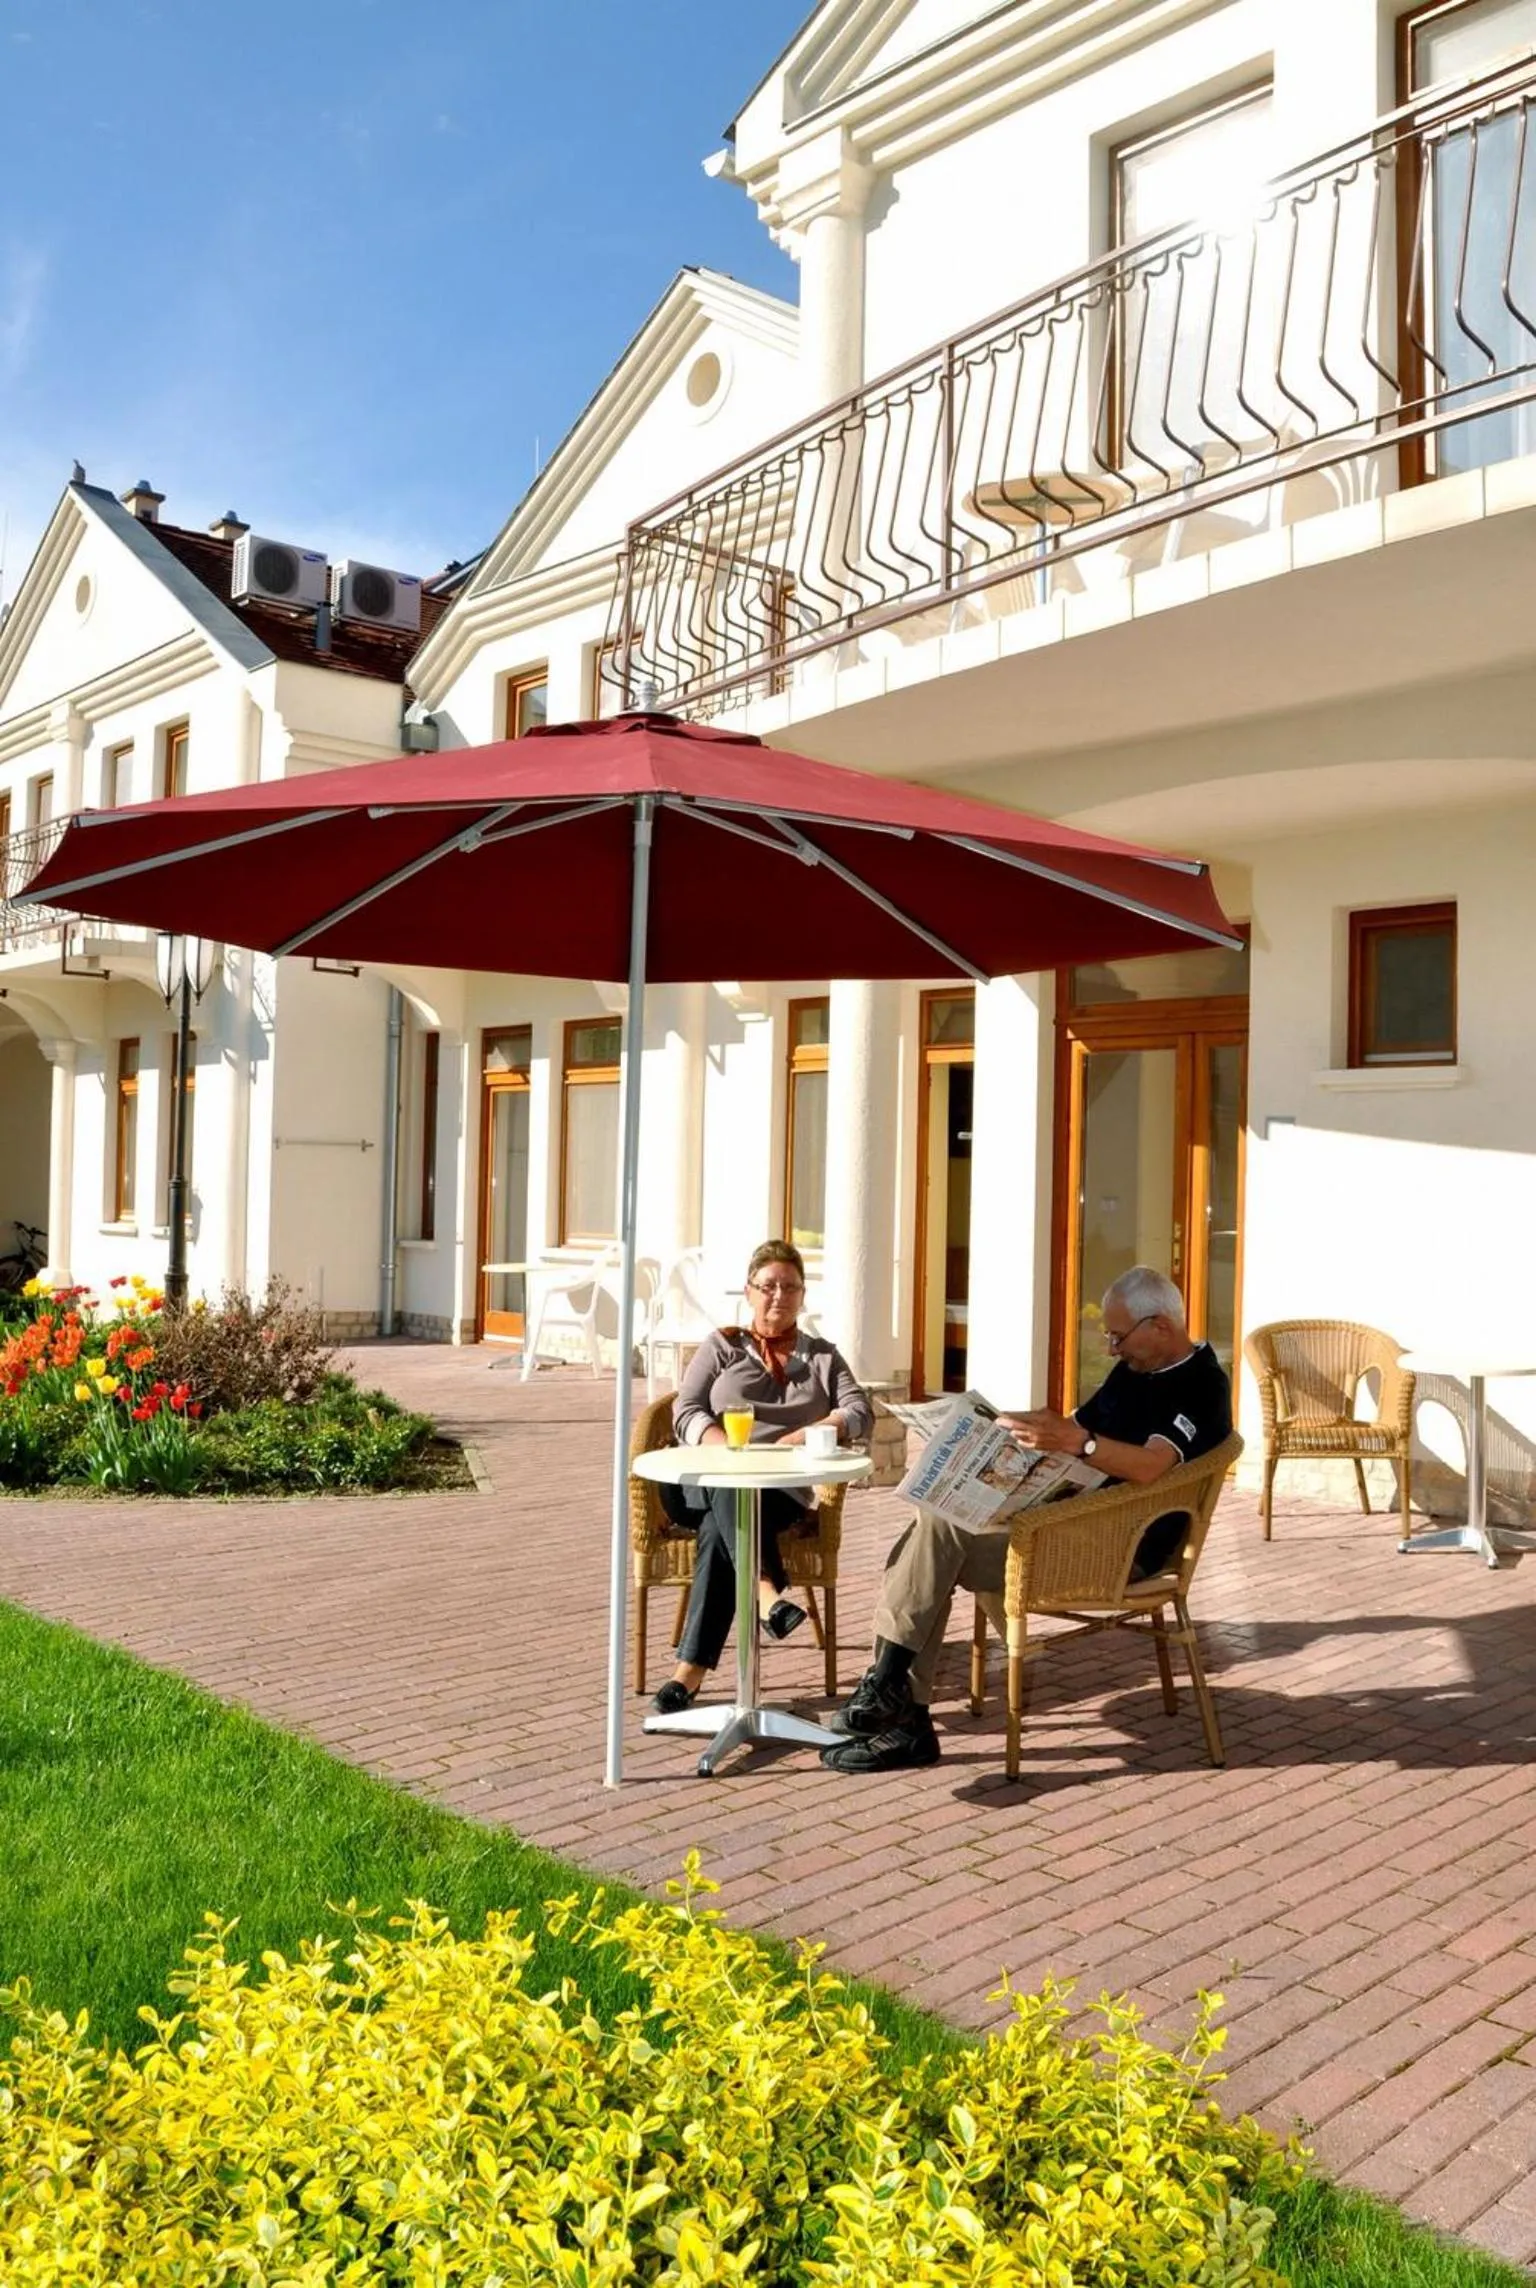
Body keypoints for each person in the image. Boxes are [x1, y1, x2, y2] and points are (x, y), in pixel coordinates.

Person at [821, 1265, 1231, 1773]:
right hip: (1065, 1527)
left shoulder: (1201, 1385)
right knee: (931, 1532)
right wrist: (1019, 1432)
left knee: (933, 1545)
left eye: (1118, 1336)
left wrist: (1078, 1443)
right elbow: (1078, 1431)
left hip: (1121, 1552)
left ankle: (900, 1708)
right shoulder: (1133, 1372)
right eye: (1107, 1335)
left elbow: (1149, 1466)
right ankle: (895, 1699)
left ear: (1162, 1327)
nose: (1111, 1348)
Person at [651, 1240, 873, 1715]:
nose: (779, 1295)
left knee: (721, 1529)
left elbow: (859, 1411)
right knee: (731, 1486)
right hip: (699, 1481)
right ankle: (767, 1593)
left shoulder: (822, 1358)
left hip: (778, 1491)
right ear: (749, 1292)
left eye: (789, 1287)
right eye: (768, 1286)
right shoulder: (722, 1346)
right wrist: (725, 1449)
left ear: (803, 1296)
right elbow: (683, 1409)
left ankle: (687, 1673)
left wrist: (810, 1434)